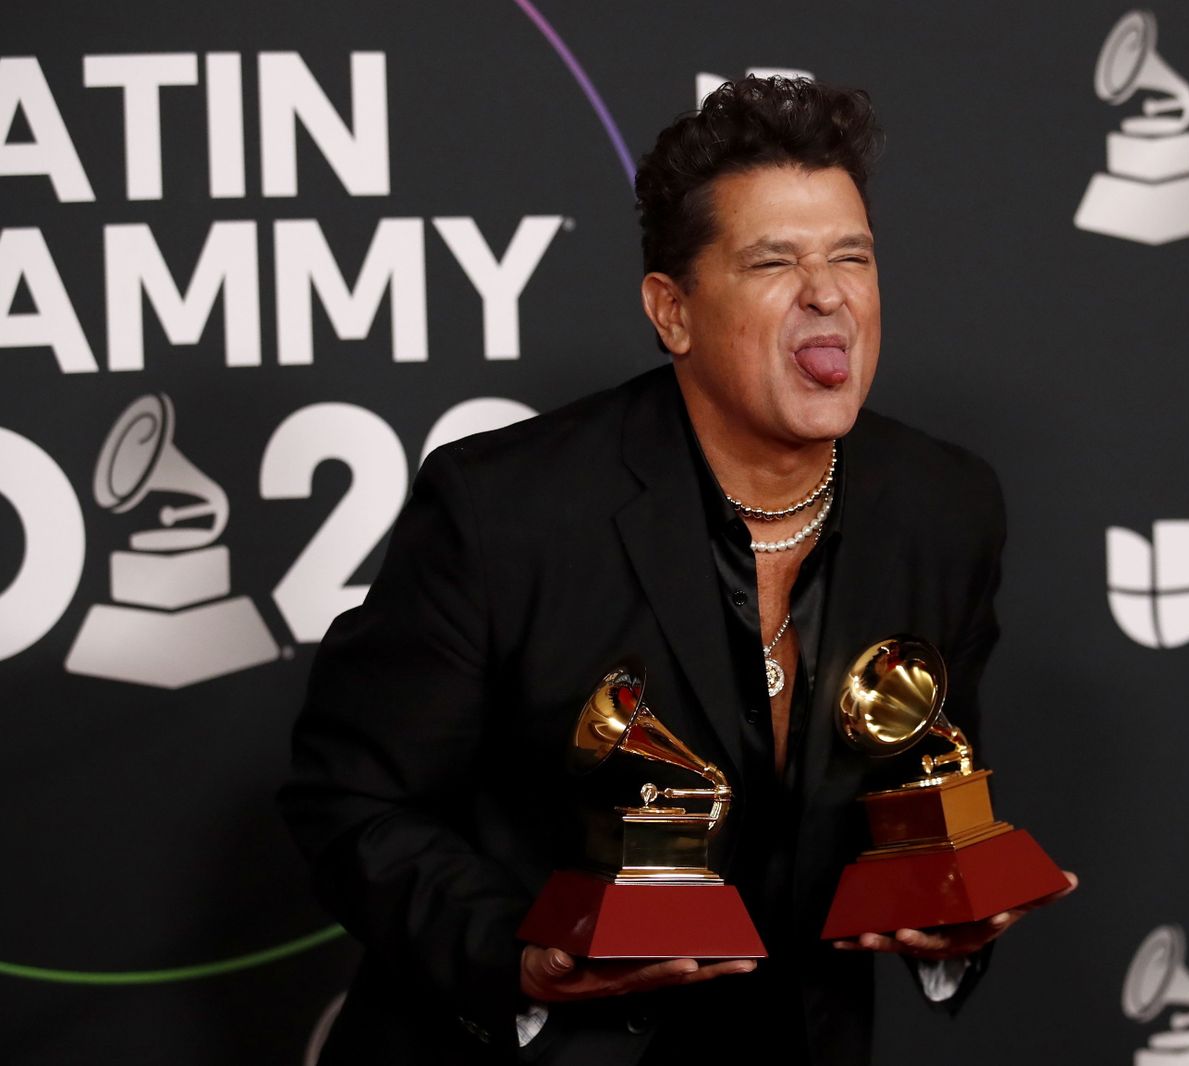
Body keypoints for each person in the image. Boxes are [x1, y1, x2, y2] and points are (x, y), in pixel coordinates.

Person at [280, 75, 1075, 1066]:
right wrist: (520, 957)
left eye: (851, 257)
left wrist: (950, 920)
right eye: (774, 261)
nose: (826, 292)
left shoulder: (944, 507)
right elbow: (353, 800)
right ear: (673, 312)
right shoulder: (504, 510)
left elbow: (924, 783)